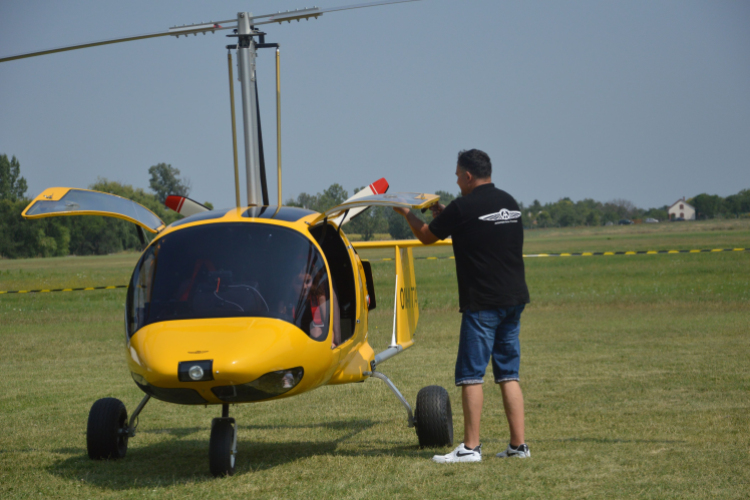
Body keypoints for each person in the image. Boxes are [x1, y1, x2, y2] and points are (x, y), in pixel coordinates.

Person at [393, 149, 530, 463]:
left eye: (457, 176)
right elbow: (481, 233)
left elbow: (427, 236)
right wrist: (450, 217)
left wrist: (406, 213)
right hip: (514, 299)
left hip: (482, 303)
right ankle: (518, 446)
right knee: (508, 374)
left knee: (471, 375)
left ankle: (470, 447)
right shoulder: (509, 202)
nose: (456, 181)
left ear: (468, 176)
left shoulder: (464, 206)